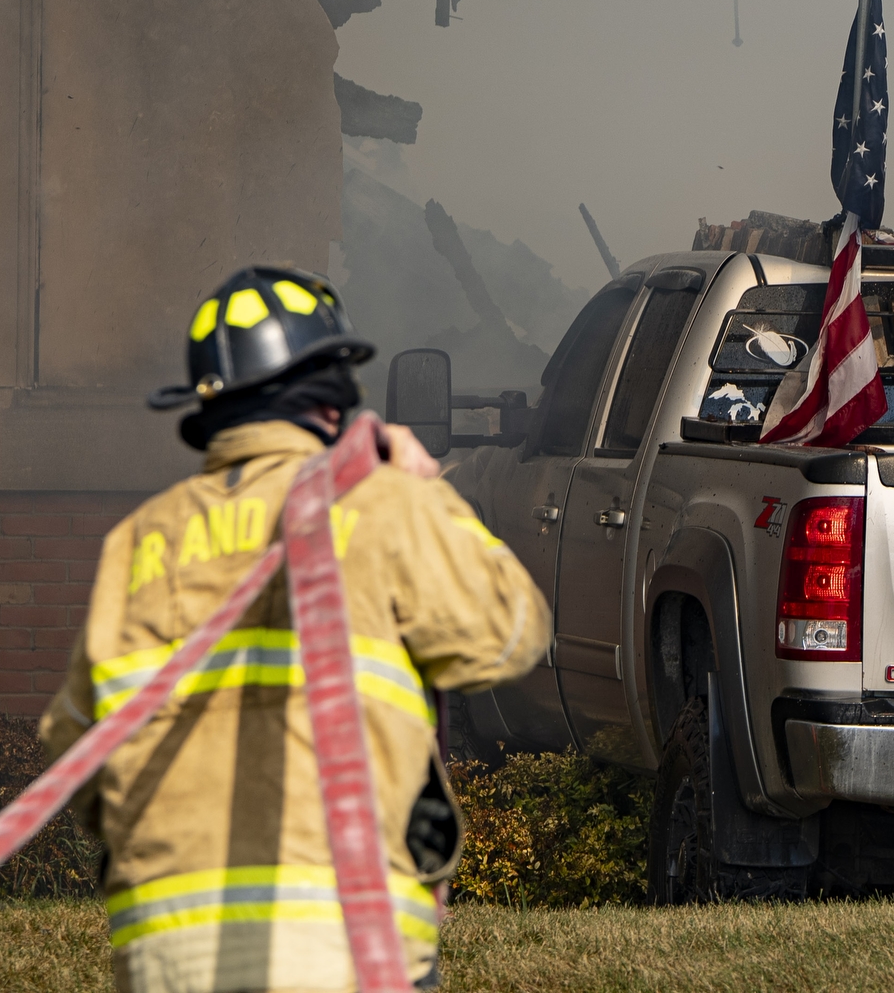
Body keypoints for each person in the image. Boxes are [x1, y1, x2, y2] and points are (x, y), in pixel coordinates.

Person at [40, 266, 550, 993]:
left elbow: (78, 759)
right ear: (333, 398)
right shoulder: (383, 506)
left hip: (167, 961)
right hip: (342, 948)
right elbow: (509, 634)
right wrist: (428, 491)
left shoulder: (138, 542)